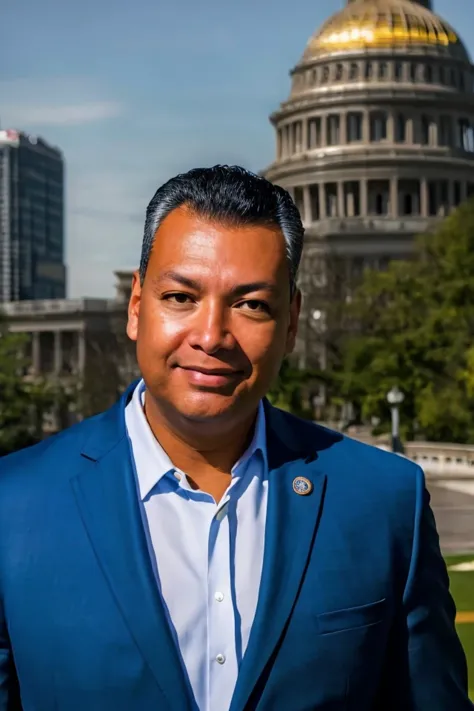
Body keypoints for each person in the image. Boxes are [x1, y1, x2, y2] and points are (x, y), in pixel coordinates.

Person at [0, 166, 471, 711]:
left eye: (251, 304)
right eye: (181, 297)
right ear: (136, 307)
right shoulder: (15, 506)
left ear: (291, 323)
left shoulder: (385, 503)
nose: (210, 337)